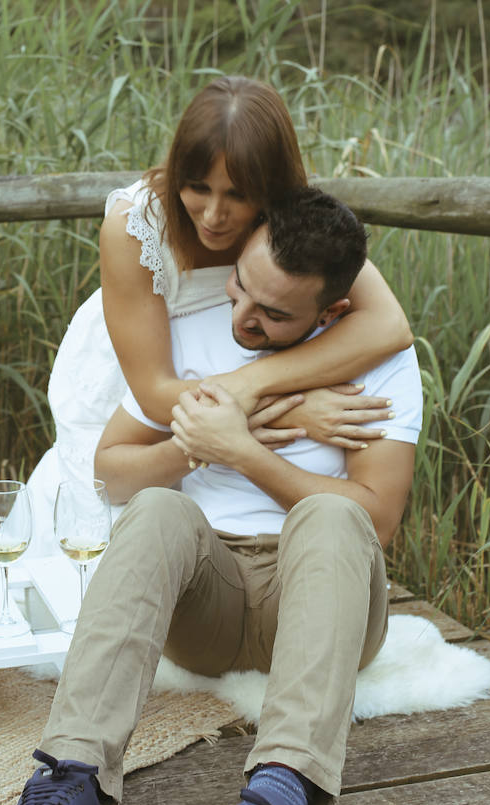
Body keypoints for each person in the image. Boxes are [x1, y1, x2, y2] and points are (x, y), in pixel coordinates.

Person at [0, 189, 423, 805]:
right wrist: (212, 436)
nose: (243, 317)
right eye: (241, 285)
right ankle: (69, 784)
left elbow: (376, 519)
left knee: (334, 512)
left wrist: (241, 448)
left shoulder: (379, 364)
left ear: (334, 312)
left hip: (321, 592)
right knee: (155, 508)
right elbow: (111, 474)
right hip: (207, 595)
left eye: (274, 314)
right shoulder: (194, 334)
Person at [25, 76, 412, 553]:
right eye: (198, 188)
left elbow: (389, 326)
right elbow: (152, 393)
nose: (212, 215)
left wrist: (255, 388)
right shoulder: (134, 227)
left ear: (271, 188)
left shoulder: (289, 228)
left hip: (229, 384)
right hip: (142, 380)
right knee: (105, 546)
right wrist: (290, 409)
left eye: (237, 195)